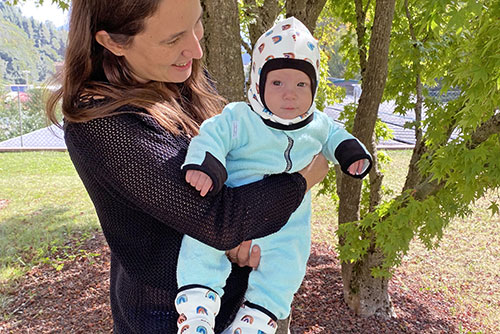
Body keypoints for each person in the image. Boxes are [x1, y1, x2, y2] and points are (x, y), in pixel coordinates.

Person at [45, 1, 330, 333]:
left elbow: (234, 161)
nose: (195, 50)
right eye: (172, 39)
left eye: (197, 23)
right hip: (167, 311)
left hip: (230, 294)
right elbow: (219, 221)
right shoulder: (103, 125)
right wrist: (302, 180)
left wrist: (247, 231)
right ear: (113, 42)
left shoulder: (176, 74)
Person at [175, 17, 372, 334]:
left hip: (287, 225)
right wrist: (206, 165)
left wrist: (352, 154)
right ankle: (197, 311)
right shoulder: (241, 118)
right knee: (202, 243)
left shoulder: (317, 124)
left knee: (289, 264)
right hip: (234, 211)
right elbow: (212, 134)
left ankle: (258, 317)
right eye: (277, 83)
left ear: (315, 87)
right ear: (258, 83)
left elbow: (337, 136)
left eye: (301, 84)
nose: (290, 94)